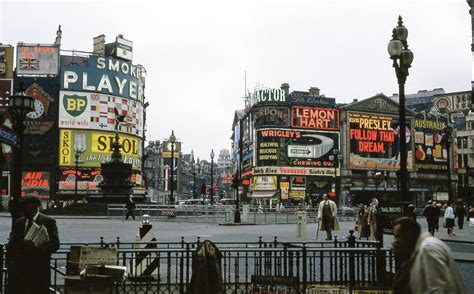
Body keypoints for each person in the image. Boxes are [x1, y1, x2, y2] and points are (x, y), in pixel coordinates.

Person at [392, 217, 466, 294]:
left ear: (408, 234)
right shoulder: (419, 250)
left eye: (398, 236)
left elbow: (439, 289)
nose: (395, 241)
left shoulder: (428, 248)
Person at [7, 194, 60, 294]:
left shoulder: (48, 222)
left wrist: (38, 247)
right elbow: (12, 244)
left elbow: (55, 244)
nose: (23, 209)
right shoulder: (19, 222)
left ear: (35, 206)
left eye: (25, 206)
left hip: (38, 272)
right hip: (19, 273)